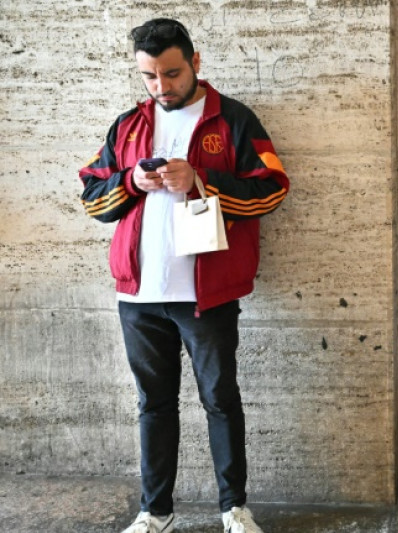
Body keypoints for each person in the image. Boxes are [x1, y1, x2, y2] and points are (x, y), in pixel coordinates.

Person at [78, 18, 289, 533]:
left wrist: (201, 180)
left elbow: (273, 188)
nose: (161, 86)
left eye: (171, 73)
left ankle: (234, 509)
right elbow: (92, 197)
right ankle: (155, 513)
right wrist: (131, 180)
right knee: (153, 404)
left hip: (206, 294)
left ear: (195, 62)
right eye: (149, 76)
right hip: (139, 295)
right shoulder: (128, 126)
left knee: (220, 401)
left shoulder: (233, 119)